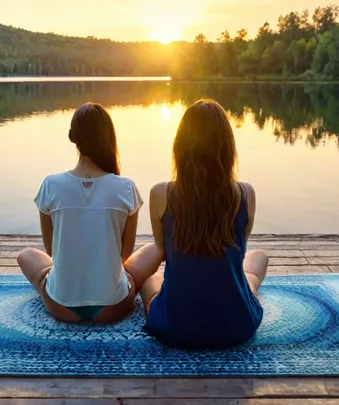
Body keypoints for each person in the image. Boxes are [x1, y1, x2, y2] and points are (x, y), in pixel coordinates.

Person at [125, 99, 269, 349]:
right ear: (227, 148)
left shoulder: (161, 193)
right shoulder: (246, 194)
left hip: (177, 329)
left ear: (181, 146)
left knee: (151, 281)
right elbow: (240, 249)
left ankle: (245, 287)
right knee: (257, 259)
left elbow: (162, 251)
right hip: (237, 327)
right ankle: (249, 290)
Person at [17, 102, 143, 324]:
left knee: (26, 255)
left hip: (62, 306)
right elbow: (125, 254)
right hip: (112, 307)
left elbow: (51, 250)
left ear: (71, 136)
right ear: (109, 137)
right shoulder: (126, 188)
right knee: (148, 254)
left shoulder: (50, 185)